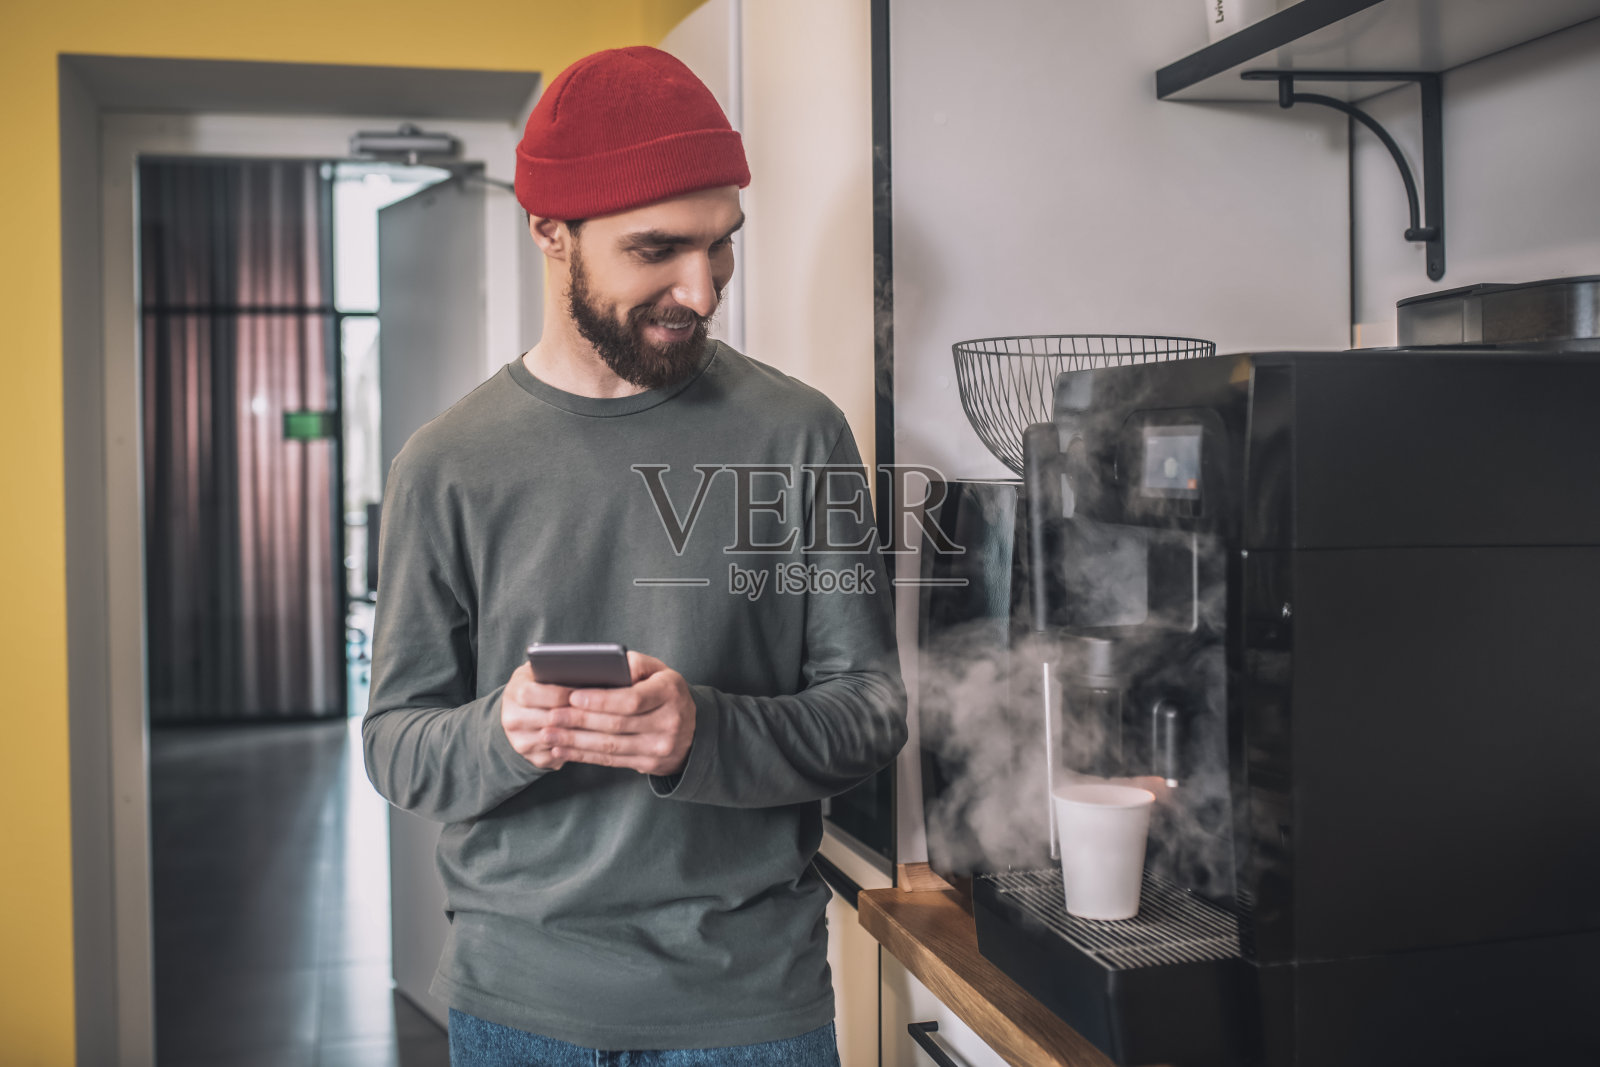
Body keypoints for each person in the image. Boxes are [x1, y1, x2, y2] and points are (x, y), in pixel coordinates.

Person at [362, 45, 907, 1066]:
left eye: (722, 246)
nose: (702, 291)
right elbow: (394, 741)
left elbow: (870, 712)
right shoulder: (444, 464)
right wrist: (506, 728)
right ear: (550, 233)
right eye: (658, 250)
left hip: (751, 1007)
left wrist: (700, 729)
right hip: (519, 1005)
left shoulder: (798, 433)